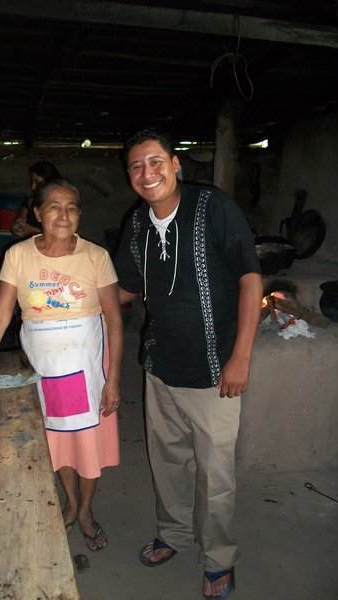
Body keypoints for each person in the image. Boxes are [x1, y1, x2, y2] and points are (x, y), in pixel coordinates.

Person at [114, 128, 263, 599]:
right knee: (168, 463)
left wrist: (240, 357)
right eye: (137, 166)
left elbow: (250, 279)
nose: (147, 173)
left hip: (215, 373)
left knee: (215, 475)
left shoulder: (213, 207)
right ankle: (174, 534)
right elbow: (124, 290)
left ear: (175, 164)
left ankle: (219, 557)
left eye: (155, 161)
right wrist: (65, 294)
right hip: (159, 367)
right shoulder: (137, 224)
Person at [0, 177, 123, 551]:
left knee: (87, 444)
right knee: (58, 442)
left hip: (88, 369)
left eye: (72, 207)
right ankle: (71, 504)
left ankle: (85, 510)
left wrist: (115, 379)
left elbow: (114, 319)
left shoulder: (96, 256)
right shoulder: (19, 255)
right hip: (48, 369)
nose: (64, 214)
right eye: (54, 206)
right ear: (38, 213)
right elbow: (1, 311)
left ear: (79, 216)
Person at [11, 161, 60, 237]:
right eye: (32, 182)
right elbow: (19, 221)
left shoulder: (61, 204)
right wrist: (17, 226)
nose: (33, 187)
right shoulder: (30, 202)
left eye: (37, 182)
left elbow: (60, 234)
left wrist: (33, 230)